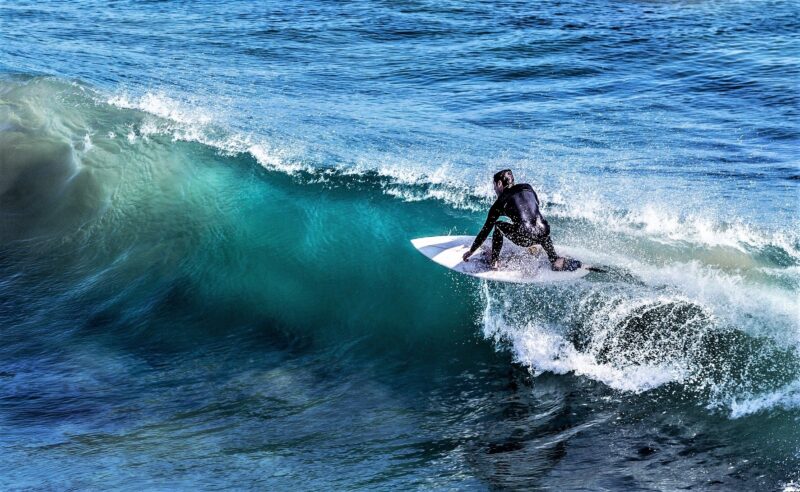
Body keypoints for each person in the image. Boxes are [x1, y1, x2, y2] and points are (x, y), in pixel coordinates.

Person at [461, 169, 578, 271]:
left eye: (494, 185)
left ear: (500, 183)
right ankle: (554, 259)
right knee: (538, 222)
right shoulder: (528, 187)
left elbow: (485, 230)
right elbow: (534, 207)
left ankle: (494, 261)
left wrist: (471, 251)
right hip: (544, 232)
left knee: (497, 226)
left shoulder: (500, 202)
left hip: (524, 238)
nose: (494, 189)